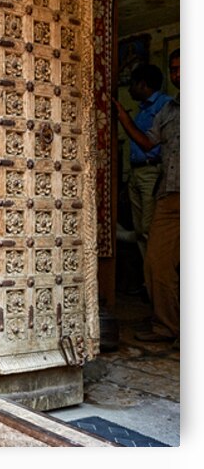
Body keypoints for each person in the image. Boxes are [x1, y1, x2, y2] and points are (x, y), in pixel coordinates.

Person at [111, 49, 180, 344]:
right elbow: (148, 142)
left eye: (183, 68)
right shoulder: (171, 110)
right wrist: (124, 117)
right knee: (155, 262)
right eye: (174, 69)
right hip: (170, 193)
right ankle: (169, 327)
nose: (178, 75)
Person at [113, 64, 172, 264]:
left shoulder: (166, 106)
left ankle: (158, 282)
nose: (129, 89)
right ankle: (149, 281)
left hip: (152, 172)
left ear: (143, 84)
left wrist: (124, 118)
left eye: (132, 84)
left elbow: (147, 143)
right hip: (137, 173)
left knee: (149, 229)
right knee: (139, 230)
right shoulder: (143, 110)